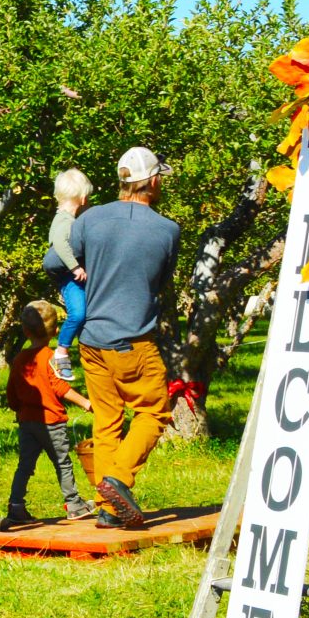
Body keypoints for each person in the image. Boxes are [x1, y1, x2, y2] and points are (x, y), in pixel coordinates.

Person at [69, 145, 183, 530]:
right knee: (154, 411)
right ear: (152, 182)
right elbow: (161, 283)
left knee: (106, 421)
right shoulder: (167, 230)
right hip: (133, 341)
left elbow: (56, 262)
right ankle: (119, 479)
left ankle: (108, 507)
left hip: (92, 340)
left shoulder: (90, 219)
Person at [3, 301, 93, 524]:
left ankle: (16, 506)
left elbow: (11, 391)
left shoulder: (20, 360)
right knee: (62, 463)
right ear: (55, 331)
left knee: (25, 465)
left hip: (26, 423)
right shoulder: (50, 357)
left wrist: (19, 409)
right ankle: (73, 504)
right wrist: (86, 403)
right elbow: (60, 387)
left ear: (25, 331)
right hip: (51, 422)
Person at [41, 167, 92, 385]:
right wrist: (75, 267)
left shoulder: (66, 219)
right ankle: (61, 351)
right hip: (68, 276)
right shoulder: (64, 221)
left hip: (70, 275)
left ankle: (80, 351)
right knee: (78, 313)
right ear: (82, 198)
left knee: (85, 313)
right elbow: (61, 245)